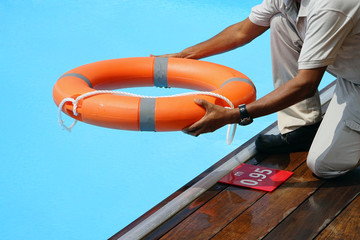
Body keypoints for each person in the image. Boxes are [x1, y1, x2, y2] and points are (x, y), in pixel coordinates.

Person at [154, 0, 360, 179]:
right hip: (350, 74)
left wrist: (235, 115)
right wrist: (183, 57)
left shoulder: (330, 6)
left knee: (324, 166)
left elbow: (306, 84)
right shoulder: (290, 1)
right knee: (280, 22)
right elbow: (241, 32)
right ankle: (302, 129)